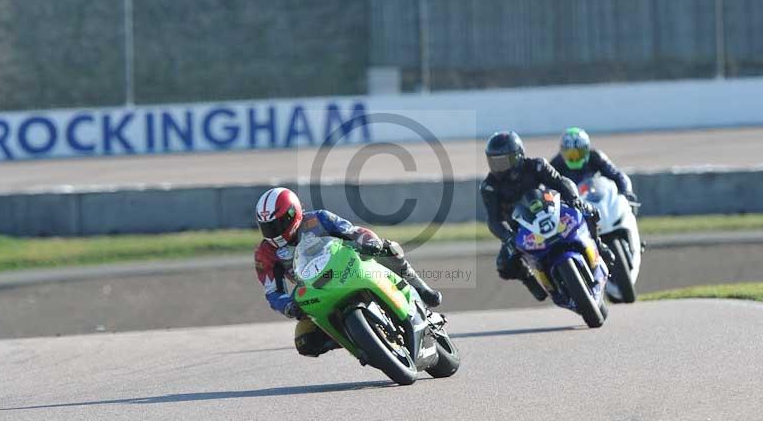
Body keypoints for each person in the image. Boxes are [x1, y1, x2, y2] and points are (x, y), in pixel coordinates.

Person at [253, 187, 442, 358]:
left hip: (349, 267)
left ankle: (420, 287)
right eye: (267, 227)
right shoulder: (265, 254)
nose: (272, 232)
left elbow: (352, 230)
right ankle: (358, 338)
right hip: (317, 289)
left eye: (276, 224)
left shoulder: (319, 219)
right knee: (305, 341)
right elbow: (273, 292)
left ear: (293, 214)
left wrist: (369, 241)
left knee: (389, 248)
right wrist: (287, 305)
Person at [480, 131, 613, 302]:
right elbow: (493, 219)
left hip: (552, 212)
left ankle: (599, 247)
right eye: (495, 162)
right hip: (521, 228)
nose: (500, 167)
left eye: (504, 161)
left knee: (589, 212)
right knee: (504, 265)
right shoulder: (489, 186)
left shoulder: (537, 165)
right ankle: (530, 279)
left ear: (518, 155)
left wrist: (574, 200)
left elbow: (561, 182)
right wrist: (507, 237)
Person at [550, 127, 636, 204]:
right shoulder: (555, 164)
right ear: (562, 152)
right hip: (569, 208)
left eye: (579, 153)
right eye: (570, 154)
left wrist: (626, 193)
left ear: (587, 149)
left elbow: (618, 176)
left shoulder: (596, 157)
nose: (574, 157)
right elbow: (545, 187)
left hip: (596, 202)